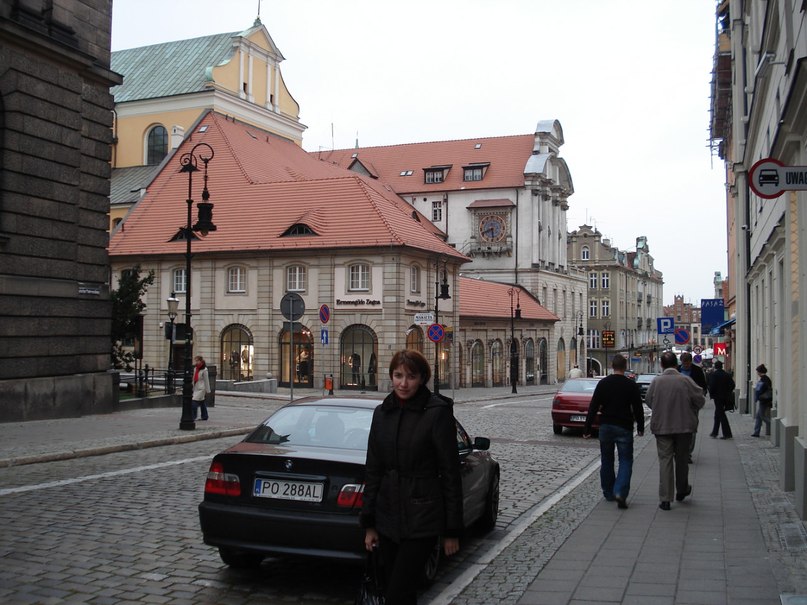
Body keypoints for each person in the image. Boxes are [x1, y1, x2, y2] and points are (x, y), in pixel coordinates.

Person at [361, 350, 463, 604]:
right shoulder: (382, 412)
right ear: (391, 376)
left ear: (422, 378)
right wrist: (370, 524)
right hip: (387, 516)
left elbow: (450, 473)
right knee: (400, 593)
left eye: (410, 377)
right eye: (398, 376)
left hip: (422, 518)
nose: (403, 383)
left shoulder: (437, 413)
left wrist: (452, 530)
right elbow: (373, 469)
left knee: (398, 592)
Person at [583, 354, 645, 509]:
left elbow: (593, 406)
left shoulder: (603, 383)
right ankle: (620, 492)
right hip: (624, 426)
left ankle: (609, 492)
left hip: (606, 426)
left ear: (612, 366)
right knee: (625, 460)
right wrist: (641, 427)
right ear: (624, 367)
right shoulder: (630, 385)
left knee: (607, 459)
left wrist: (587, 428)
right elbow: (638, 408)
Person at [645, 351, 705, 511]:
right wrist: (691, 409)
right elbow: (700, 399)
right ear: (675, 363)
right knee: (682, 460)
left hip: (662, 427)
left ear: (662, 365)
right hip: (684, 427)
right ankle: (682, 490)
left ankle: (665, 499)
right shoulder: (686, 380)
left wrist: (660, 409)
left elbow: (649, 400)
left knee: (665, 460)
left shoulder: (656, 381)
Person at [678, 352, 708, 463]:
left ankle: (688, 453)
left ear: (691, 362)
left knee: (691, 429)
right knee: (679, 428)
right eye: (684, 363)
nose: (686, 365)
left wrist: (699, 399)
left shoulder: (697, 371)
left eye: (687, 363)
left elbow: (703, 387)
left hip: (692, 405)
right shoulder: (676, 370)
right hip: (678, 404)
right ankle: (680, 451)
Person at [707, 360, 734, 439]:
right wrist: (728, 392)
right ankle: (714, 432)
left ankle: (727, 434)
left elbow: (712, 386)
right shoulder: (726, 375)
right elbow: (732, 385)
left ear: (715, 367)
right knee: (717, 414)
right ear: (721, 366)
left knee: (721, 415)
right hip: (725, 397)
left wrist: (712, 394)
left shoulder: (714, 375)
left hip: (717, 397)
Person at [751, 363, 773, 437]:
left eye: (757, 371)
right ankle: (756, 432)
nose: (757, 373)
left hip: (764, 400)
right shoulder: (766, 379)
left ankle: (772, 426)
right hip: (765, 400)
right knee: (758, 416)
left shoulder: (763, 380)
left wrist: (757, 398)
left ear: (760, 372)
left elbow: (759, 390)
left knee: (762, 416)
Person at [192, 355, 210, 421]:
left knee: (194, 401)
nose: (196, 362)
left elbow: (206, 380)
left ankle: (193, 416)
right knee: (202, 402)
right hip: (196, 387)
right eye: (195, 361)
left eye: (197, 361)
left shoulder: (204, 370)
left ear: (201, 361)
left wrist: (208, 390)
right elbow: (193, 379)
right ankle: (205, 416)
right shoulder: (195, 369)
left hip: (202, 388)